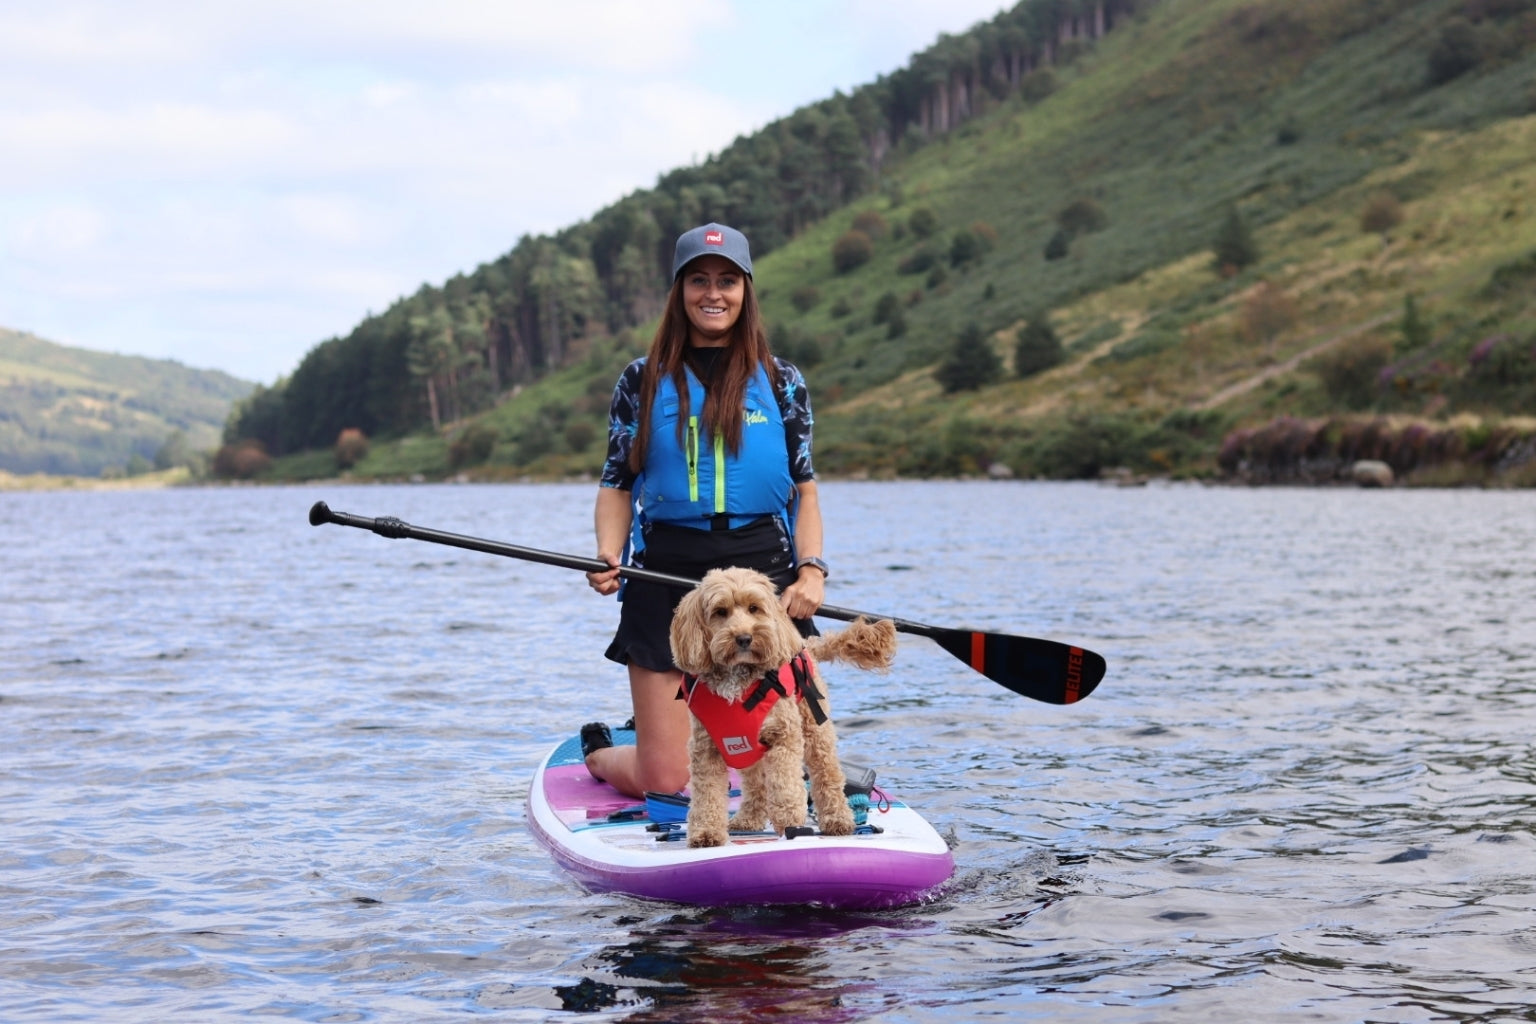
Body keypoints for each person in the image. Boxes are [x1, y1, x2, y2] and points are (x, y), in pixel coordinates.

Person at [581, 222, 831, 798]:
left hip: (764, 579)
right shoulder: (640, 381)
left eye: (726, 280)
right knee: (666, 782)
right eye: (699, 280)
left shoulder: (781, 380)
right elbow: (618, 482)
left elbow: (806, 489)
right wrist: (608, 553)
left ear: (746, 291)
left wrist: (812, 569)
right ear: (680, 290)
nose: (712, 293)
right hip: (665, 574)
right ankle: (602, 753)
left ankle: (727, 745)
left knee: (799, 761)